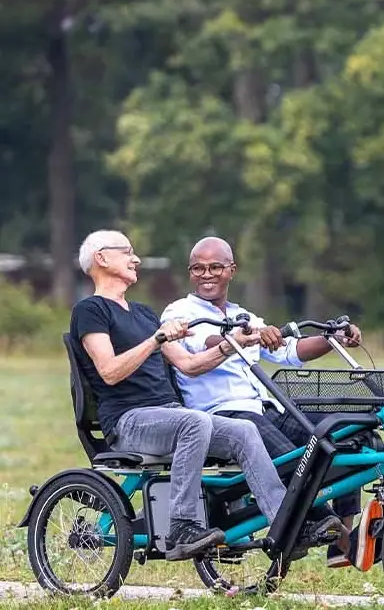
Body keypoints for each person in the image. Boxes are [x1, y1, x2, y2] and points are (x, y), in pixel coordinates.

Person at [70, 230, 288, 561]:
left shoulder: (143, 313)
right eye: (127, 252)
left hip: (169, 415)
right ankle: (182, 526)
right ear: (102, 258)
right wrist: (155, 340)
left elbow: (188, 364)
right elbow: (110, 371)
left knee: (245, 431)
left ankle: (284, 524)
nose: (136, 259)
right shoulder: (91, 310)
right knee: (194, 422)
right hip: (128, 421)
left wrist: (234, 344)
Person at [161, 236, 363, 564]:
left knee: (343, 429)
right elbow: (207, 340)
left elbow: (290, 351)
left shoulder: (245, 315)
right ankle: (333, 531)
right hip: (223, 416)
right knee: (298, 457)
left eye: (215, 267)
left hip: (266, 409)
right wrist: (247, 336)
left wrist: (333, 338)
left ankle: (342, 535)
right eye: (198, 268)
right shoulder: (180, 312)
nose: (206, 274)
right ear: (190, 273)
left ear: (232, 270)